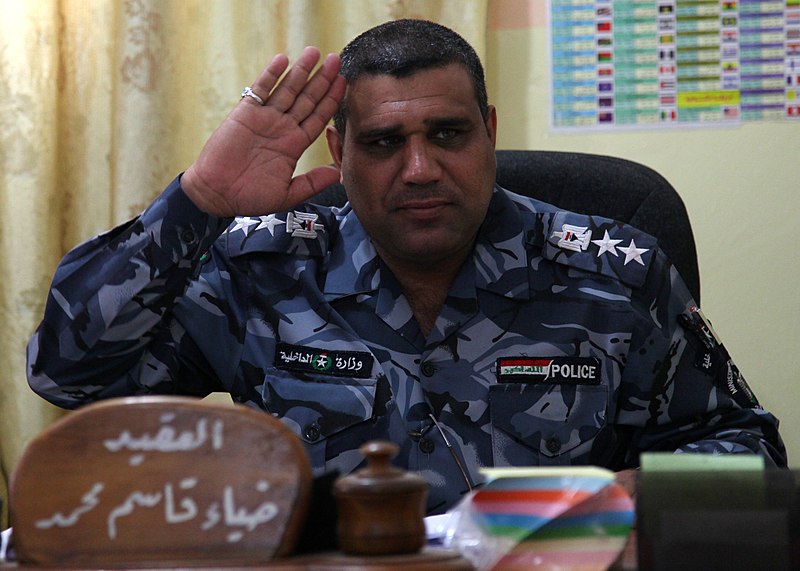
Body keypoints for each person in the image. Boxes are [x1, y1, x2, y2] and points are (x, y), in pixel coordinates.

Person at [27, 19, 786, 515]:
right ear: (339, 151)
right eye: (386, 142)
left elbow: (750, 452)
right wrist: (198, 202)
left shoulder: (613, 274)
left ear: (489, 132)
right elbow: (69, 375)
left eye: (448, 134)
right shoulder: (261, 265)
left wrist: (639, 494)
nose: (420, 168)